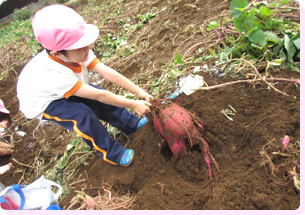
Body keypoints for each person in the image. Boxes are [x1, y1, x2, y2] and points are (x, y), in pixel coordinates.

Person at [16, 5, 153, 167]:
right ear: (57, 53)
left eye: (86, 42)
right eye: (80, 46)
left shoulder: (79, 52)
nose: (87, 48)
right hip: (44, 101)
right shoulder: (51, 74)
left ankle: (130, 123)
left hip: (63, 87)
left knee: (97, 95)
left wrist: (139, 92)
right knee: (81, 114)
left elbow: (107, 73)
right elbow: (100, 97)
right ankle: (112, 153)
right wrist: (133, 103)